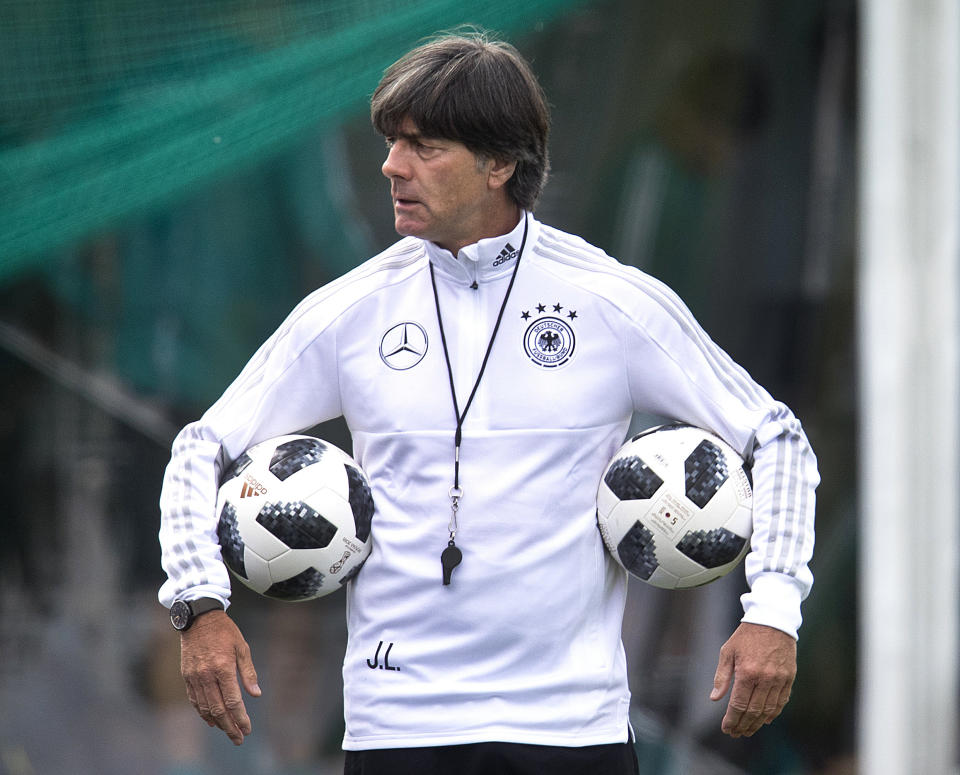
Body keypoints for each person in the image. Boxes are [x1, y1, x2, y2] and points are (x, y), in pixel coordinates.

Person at [158, 31, 818, 775]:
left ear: (501, 163)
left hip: (572, 728)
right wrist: (198, 601)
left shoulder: (610, 300)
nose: (391, 165)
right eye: (390, 142)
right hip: (397, 726)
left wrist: (772, 611)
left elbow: (777, 436)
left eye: (424, 146)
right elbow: (200, 446)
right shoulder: (350, 310)